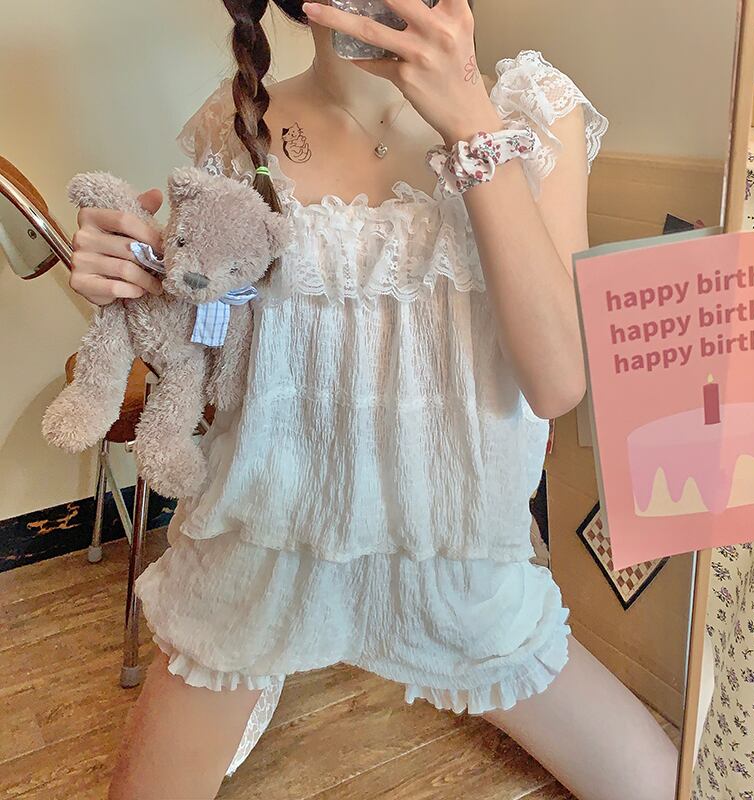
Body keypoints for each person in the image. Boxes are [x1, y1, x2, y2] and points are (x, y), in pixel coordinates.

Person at [67, 2, 678, 798]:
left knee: (660, 784)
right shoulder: (237, 124)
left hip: (461, 561)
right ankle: (263, 679)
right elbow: (219, 353)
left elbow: (557, 380)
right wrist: (138, 285)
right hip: (263, 551)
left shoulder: (533, 108)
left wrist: (471, 124)